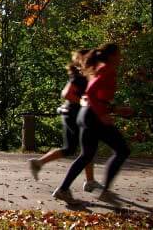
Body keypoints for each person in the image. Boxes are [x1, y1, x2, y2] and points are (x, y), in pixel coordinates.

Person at [52, 43, 133, 204]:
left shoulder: (101, 68)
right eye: (119, 53)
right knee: (122, 150)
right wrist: (102, 114)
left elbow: (98, 98)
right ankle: (105, 191)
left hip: (87, 114)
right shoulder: (105, 69)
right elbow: (90, 94)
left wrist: (116, 109)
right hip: (93, 117)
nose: (121, 56)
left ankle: (63, 190)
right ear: (112, 55)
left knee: (86, 155)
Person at [28, 49, 102, 193]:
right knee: (81, 149)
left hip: (74, 114)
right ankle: (88, 181)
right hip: (74, 115)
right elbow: (66, 93)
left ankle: (89, 180)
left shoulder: (84, 76)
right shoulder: (79, 77)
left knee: (81, 149)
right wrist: (83, 102)